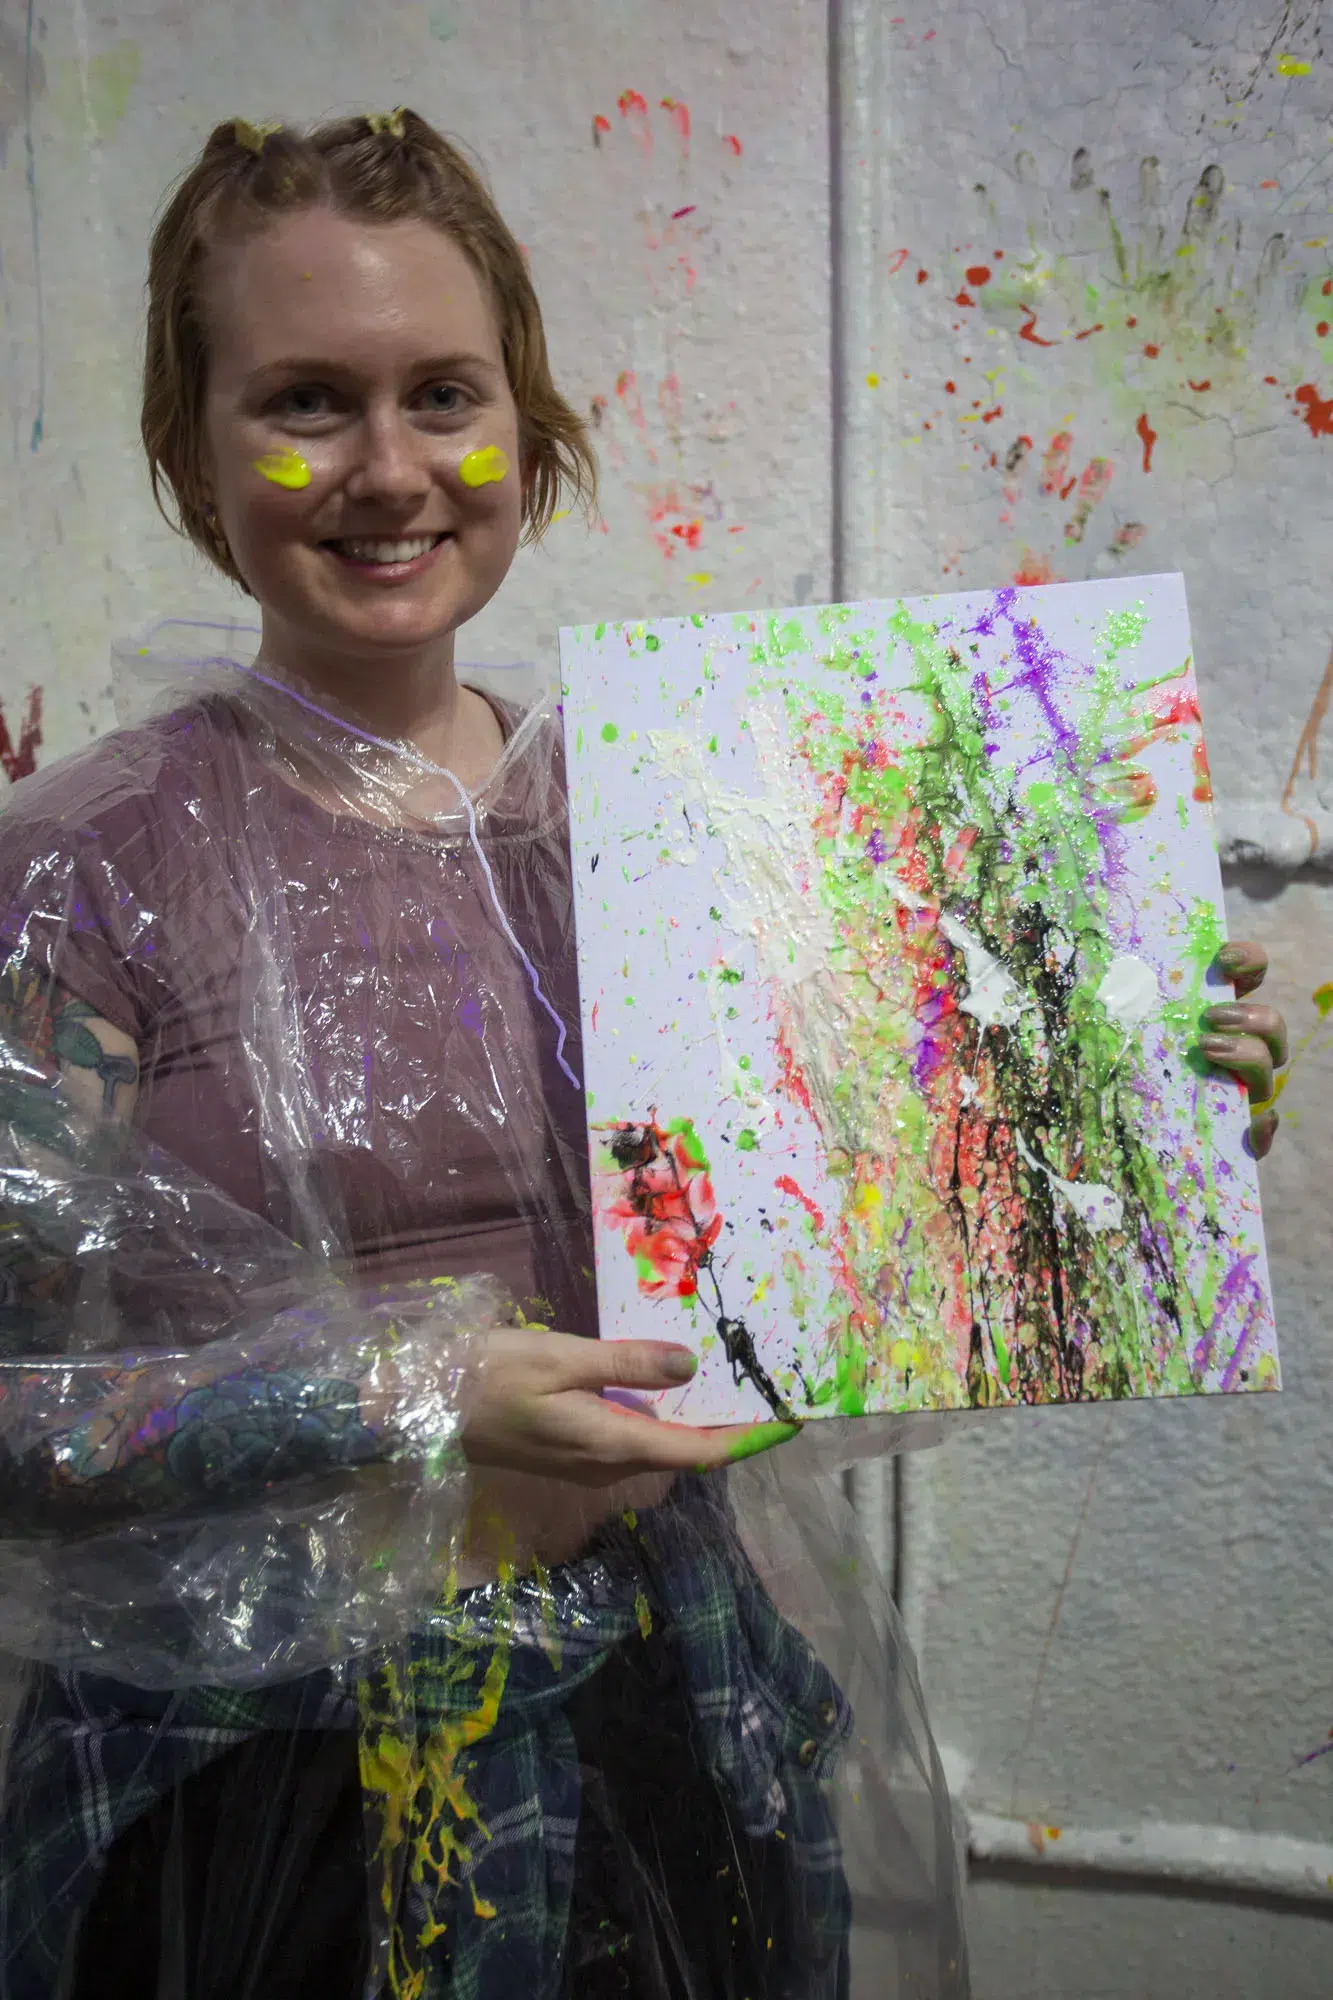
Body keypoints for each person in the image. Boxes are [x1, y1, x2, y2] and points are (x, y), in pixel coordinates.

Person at [0, 110, 1287, 2000]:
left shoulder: (691, 818)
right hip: (259, 1806)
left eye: (444, 393)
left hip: (669, 1732)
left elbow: (884, 1232)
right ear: (192, 450)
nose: (386, 469)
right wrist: (409, 1400)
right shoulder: (84, 866)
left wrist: (1128, 1094)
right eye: (303, 401)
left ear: (528, 423)